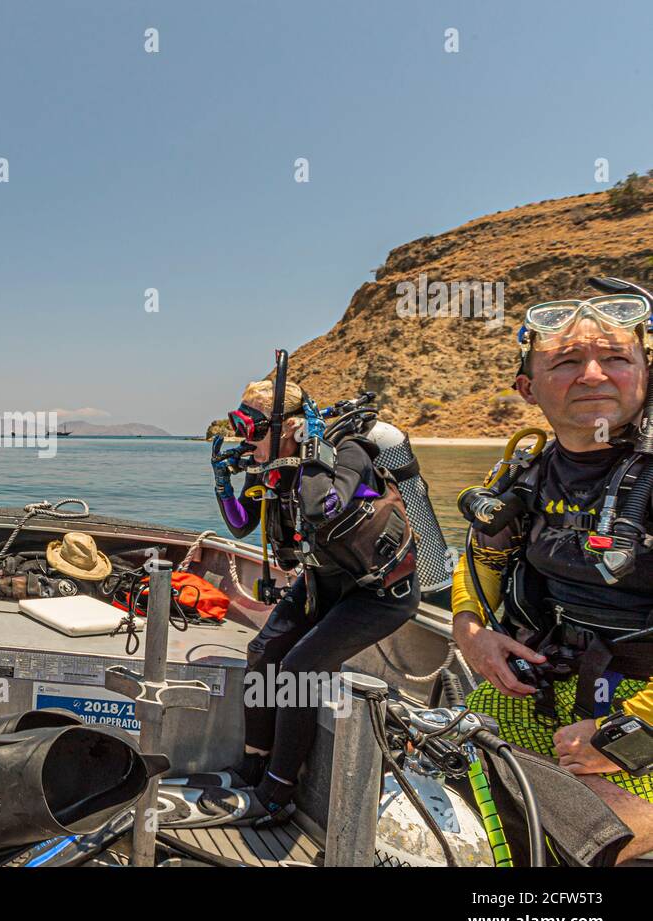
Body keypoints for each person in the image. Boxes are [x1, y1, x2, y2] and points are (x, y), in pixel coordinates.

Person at [452, 283, 653, 863]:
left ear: (645, 372)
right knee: (461, 792)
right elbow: (479, 560)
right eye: (566, 362)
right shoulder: (528, 472)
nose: (593, 374)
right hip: (545, 685)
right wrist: (471, 630)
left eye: (616, 358)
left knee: (588, 839)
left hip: (637, 707)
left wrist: (627, 735)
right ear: (528, 388)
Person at [204, 361, 421, 826]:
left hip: (377, 592)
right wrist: (225, 480)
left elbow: (324, 508)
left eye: (252, 429)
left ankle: (278, 792)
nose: (245, 440)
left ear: (292, 427)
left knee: (300, 667)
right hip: (322, 581)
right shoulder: (270, 461)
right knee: (264, 651)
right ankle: (254, 761)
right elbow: (242, 524)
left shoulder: (349, 453)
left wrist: (308, 454)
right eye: (239, 426)